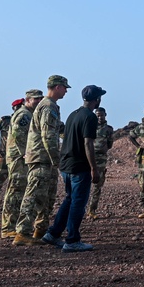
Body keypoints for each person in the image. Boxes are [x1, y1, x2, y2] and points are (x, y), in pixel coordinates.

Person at [43, 85, 105, 252]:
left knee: (69, 199)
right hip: (79, 167)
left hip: (66, 165)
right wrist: (94, 168)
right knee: (78, 203)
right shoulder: (90, 117)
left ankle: (53, 233)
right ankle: (72, 240)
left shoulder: (73, 114)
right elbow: (88, 143)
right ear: (97, 100)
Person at [14, 75, 68, 245]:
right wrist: (56, 159)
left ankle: (40, 230)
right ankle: (22, 233)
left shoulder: (50, 106)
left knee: (47, 197)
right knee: (34, 194)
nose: (66, 91)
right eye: (65, 87)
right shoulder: (47, 107)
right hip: (42, 158)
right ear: (57, 87)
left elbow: (59, 130)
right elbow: (48, 135)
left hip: (46, 159)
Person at [1, 90, 43, 238]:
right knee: (15, 191)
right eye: (35, 99)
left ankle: (13, 225)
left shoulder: (30, 113)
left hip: (23, 158)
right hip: (18, 159)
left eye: (40, 99)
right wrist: (25, 152)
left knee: (21, 191)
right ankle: (7, 227)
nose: (38, 101)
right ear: (28, 100)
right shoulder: (24, 114)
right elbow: (18, 134)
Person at [87, 107, 115, 219]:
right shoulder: (90, 127)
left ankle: (92, 210)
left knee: (97, 185)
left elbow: (109, 144)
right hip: (88, 158)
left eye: (101, 115)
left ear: (105, 115)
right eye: (97, 115)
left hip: (101, 159)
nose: (99, 117)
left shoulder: (108, 129)